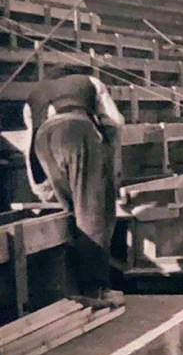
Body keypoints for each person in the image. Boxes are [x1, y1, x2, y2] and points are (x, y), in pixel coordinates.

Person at [24, 65, 125, 308]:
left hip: (44, 142)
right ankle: (96, 290)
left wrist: (38, 184)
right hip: (77, 132)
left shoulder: (33, 96)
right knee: (94, 213)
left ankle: (71, 286)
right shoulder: (90, 82)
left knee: (71, 210)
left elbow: (28, 144)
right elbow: (116, 122)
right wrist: (111, 161)